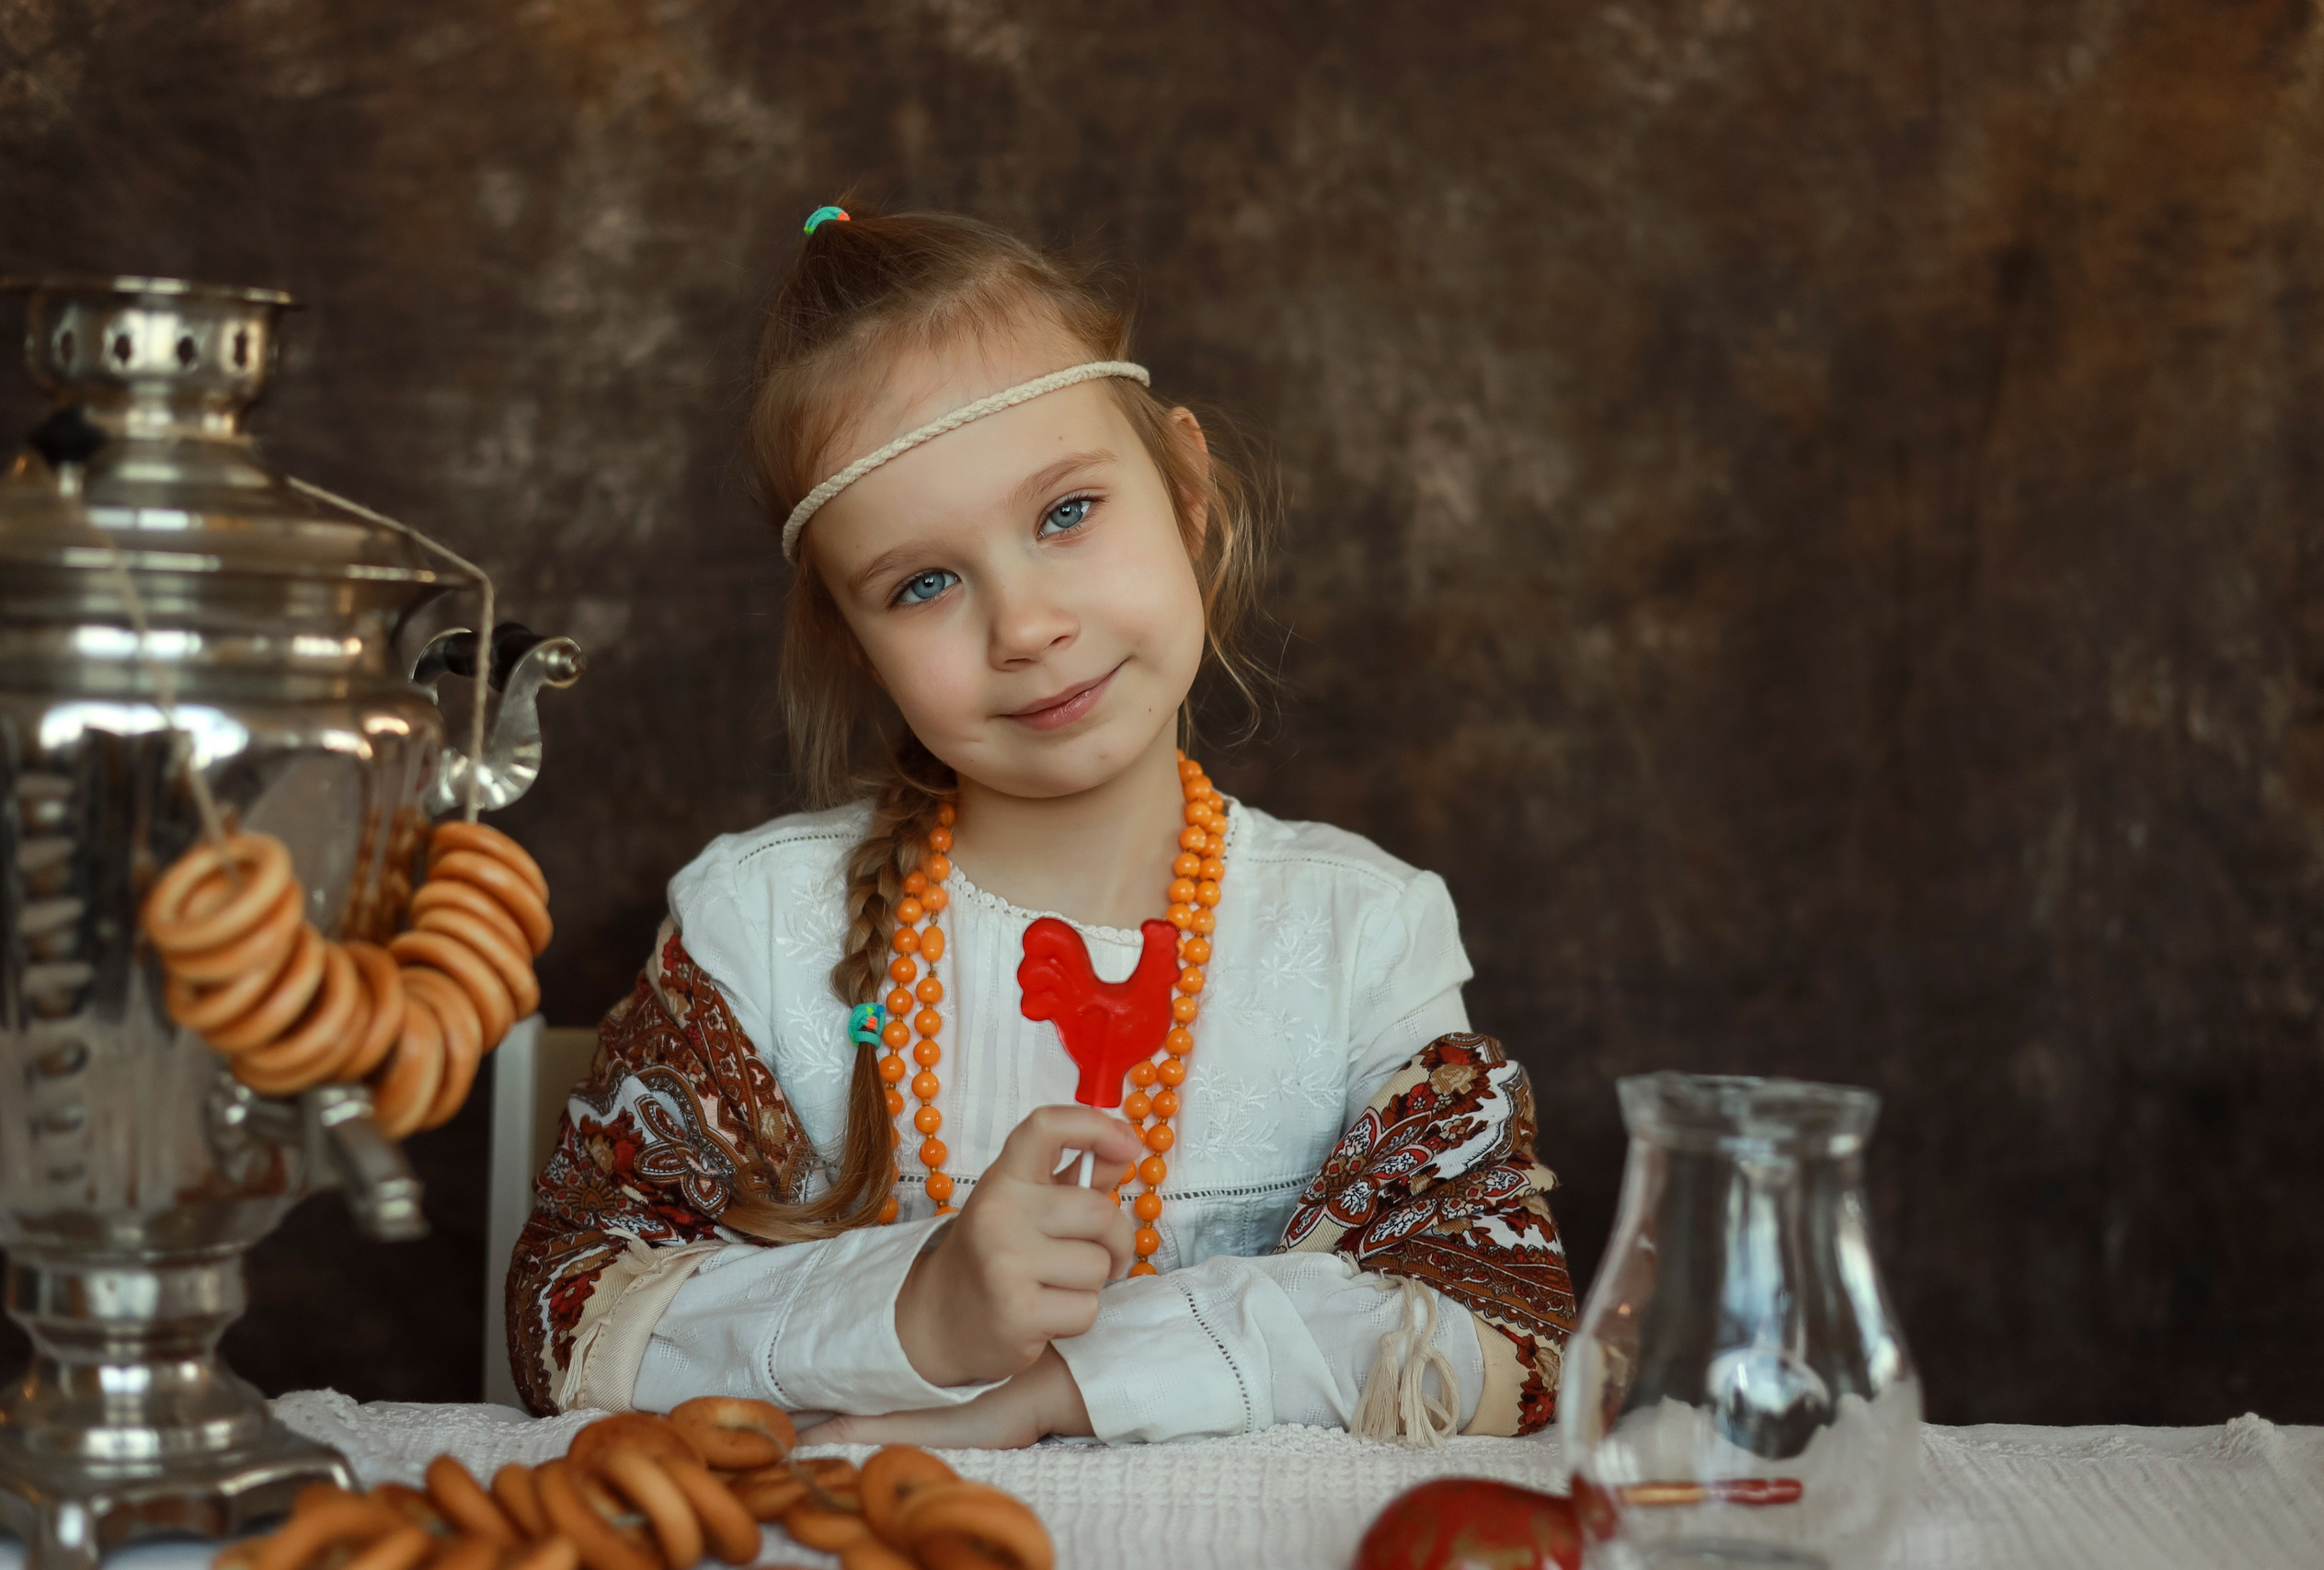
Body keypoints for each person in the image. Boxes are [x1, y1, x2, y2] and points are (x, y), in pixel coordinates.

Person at [507, 202, 1574, 1447]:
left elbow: (1507, 1339)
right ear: (856, 642)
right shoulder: (760, 934)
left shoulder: (1363, 937)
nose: (1023, 626)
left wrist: (1063, 1388)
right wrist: (914, 1312)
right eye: (924, 583)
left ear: (1184, 489)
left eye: (1066, 513)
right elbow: (566, 1320)